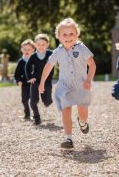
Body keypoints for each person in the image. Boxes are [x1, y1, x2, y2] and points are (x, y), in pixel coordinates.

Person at [39, 18, 96, 149]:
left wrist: (88, 80)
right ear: (58, 37)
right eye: (64, 34)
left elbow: (92, 65)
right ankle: (68, 138)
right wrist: (42, 82)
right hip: (65, 86)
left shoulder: (82, 48)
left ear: (77, 35)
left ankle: (82, 122)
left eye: (71, 34)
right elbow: (48, 66)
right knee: (66, 110)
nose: (68, 37)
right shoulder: (57, 52)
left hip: (82, 86)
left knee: (83, 112)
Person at [25, 33, 54, 125]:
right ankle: (37, 118)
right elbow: (27, 67)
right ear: (35, 45)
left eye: (43, 44)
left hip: (47, 82)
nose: (41, 46)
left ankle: (47, 101)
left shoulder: (51, 54)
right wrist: (30, 77)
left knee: (47, 101)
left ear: (47, 45)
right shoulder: (33, 56)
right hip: (35, 81)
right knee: (33, 101)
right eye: (38, 44)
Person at [14, 39, 35, 120]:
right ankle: (27, 114)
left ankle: (35, 113)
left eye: (29, 49)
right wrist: (18, 80)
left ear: (33, 49)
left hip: (33, 84)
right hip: (24, 84)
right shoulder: (21, 62)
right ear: (22, 50)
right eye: (25, 49)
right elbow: (17, 74)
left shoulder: (35, 60)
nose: (27, 51)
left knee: (33, 100)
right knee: (24, 100)